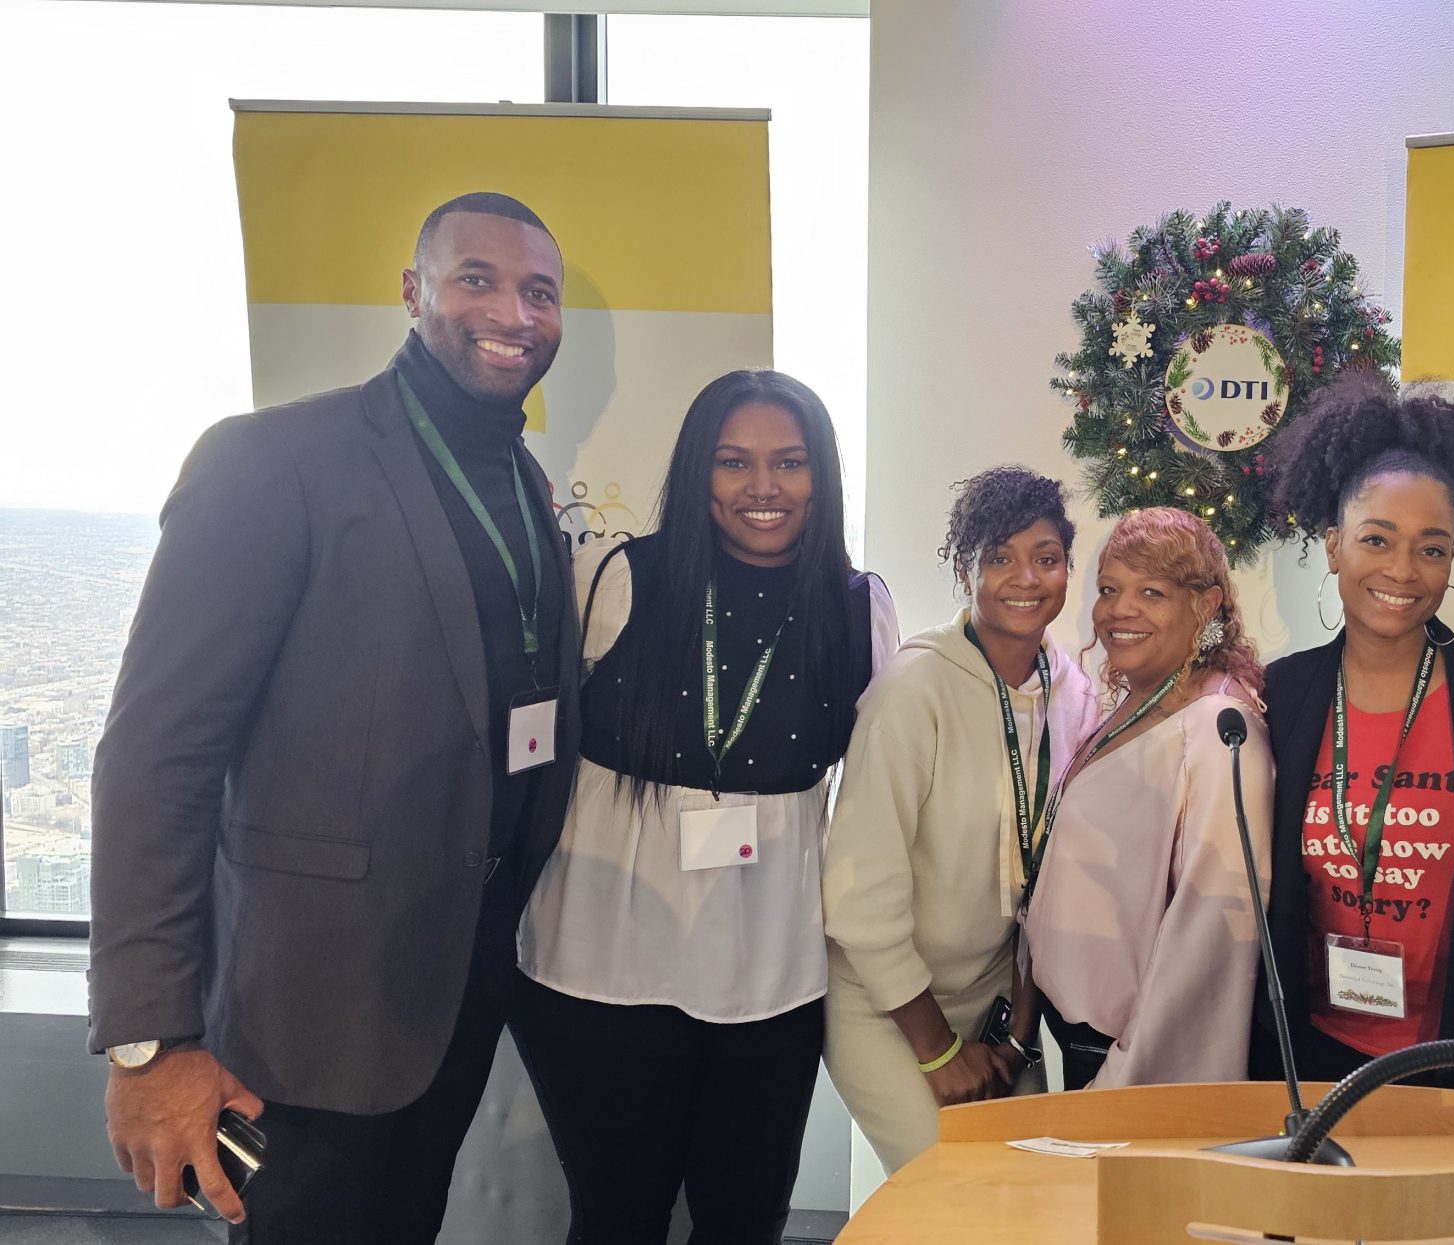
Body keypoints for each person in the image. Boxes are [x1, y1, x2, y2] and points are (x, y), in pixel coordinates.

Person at [89, 192, 581, 1242]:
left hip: (453, 985)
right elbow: (156, 757)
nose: (515, 313)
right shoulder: (273, 461)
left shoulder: (525, 484)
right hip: (305, 1020)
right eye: (478, 280)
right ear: (413, 292)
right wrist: (149, 1042)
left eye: (540, 293)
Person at [513, 370, 896, 1245]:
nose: (765, 486)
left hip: (772, 980)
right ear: (698, 471)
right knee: (618, 1218)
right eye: (734, 461)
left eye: (790, 462)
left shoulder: (859, 608)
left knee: (745, 1219)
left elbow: (882, 800)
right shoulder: (613, 577)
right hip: (600, 969)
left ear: (821, 474)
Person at [822, 466, 1101, 1173]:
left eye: (1046, 557)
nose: (1025, 578)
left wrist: (1018, 1034)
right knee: (958, 1192)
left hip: (997, 1004)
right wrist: (938, 1051)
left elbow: (1047, 881)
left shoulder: (1075, 694)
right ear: (962, 569)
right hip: (888, 1005)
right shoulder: (912, 692)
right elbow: (858, 893)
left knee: (1028, 1189)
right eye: (999, 557)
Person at [1248, 377, 1454, 1090]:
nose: (1402, 570)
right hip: (1311, 1054)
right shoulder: (1280, 695)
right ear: (1334, 546)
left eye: (1431, 549)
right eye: (1376, 539)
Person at [1025, 507, 1275, 1090]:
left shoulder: (1219, 726)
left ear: (1206, 605)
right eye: (1109, 589)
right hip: (1077, 1032)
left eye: (1152, 592)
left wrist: (1121, 1079)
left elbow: (1210, 935)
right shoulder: (1145, 700)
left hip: (1130, 1058)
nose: (1120, 610)